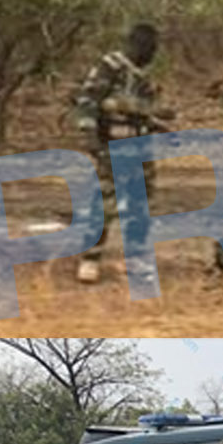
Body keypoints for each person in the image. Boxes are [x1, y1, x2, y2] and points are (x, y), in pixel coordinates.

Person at [69, 23, 168, 284]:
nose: (153, 54)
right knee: (104, 202)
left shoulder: (143, 77)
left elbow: (140, 111)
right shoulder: (110, 66)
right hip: (112, 144)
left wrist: (157, 121)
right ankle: (89, 259)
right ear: (138, 45)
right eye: (151, 48)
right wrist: (90, 137)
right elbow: (87, 101)